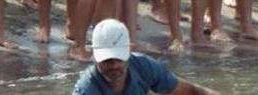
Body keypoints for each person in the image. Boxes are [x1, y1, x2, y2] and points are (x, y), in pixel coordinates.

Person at [72, 18, 217, 95]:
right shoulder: (86, 90)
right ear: (95, 57)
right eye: (108, 61)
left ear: (129, 50)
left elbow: (193, 91)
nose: (115, 65)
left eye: (119, 58)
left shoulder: (144, 66)